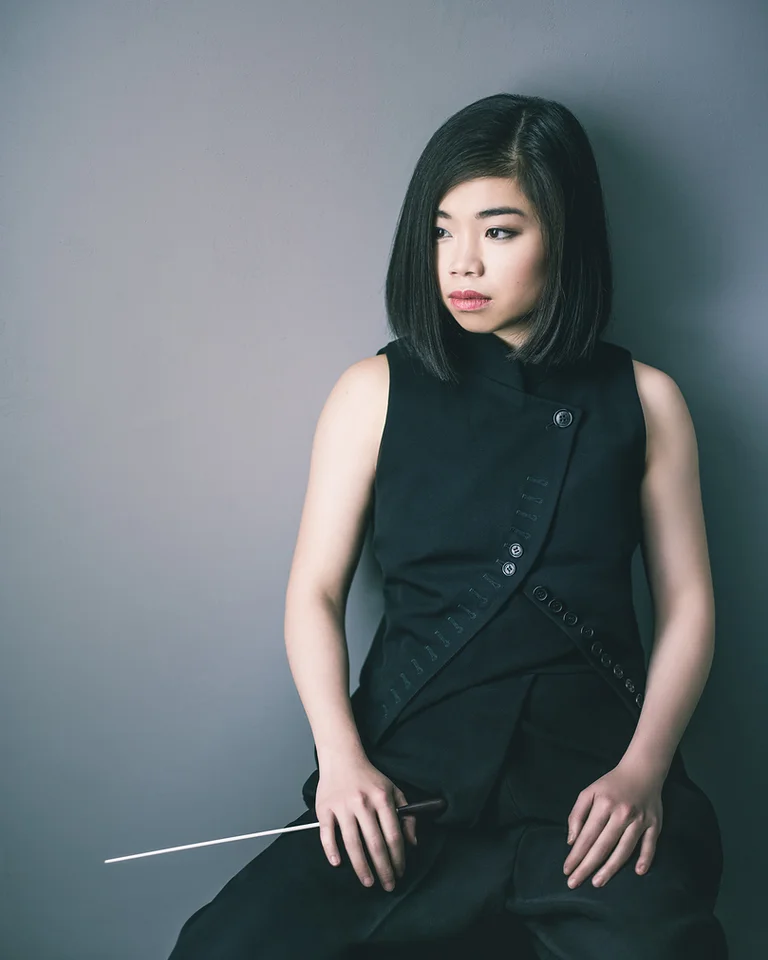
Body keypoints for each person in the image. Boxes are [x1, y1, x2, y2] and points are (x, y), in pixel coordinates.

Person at [166, 93, 728, 959]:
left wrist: (642, 771)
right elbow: (314, 595)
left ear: (564, 236)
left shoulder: (648, 400)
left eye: (499, 231)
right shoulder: (372, 391)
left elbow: (688, 606)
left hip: (587, 793)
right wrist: (341, 764)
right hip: (406, 783)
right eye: (441, 231)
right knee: (220, 947)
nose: (462, 261)